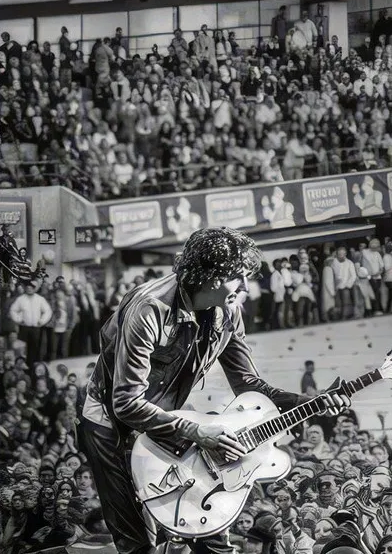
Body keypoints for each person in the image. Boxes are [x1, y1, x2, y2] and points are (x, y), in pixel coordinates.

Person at [75, 227, 351, 554]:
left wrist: (310, 402)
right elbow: (126, 403)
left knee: (209, 530)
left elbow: (249, 385)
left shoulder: (229, 312)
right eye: (240, 278)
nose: (247, 287)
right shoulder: (149, 310)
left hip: (168, 420)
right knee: (140, 543)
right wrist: (195, 431)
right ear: (213, 277)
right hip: (110, 423)